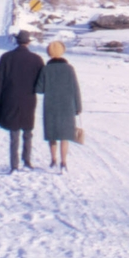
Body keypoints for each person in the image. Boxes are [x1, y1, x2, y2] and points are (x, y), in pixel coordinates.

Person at [0, 30, 44, 172]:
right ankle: (27, 159)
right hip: (29, 99)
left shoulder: (5, 57)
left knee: (14, 132)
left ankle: (14, 164)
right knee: (28, 131)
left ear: (16, 41)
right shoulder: (36, 59)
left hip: (10, 98)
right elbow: (41, 82)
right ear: (28, 42)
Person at [35, 40, 82, 172]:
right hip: (67, 105)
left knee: (52, 134)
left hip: (50, 105)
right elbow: (75, 89)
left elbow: (39, 89)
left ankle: (53, 159)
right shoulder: (69, 69)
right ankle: (63, 162)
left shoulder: (45, 69)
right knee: (64, 136)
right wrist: (78, 106)